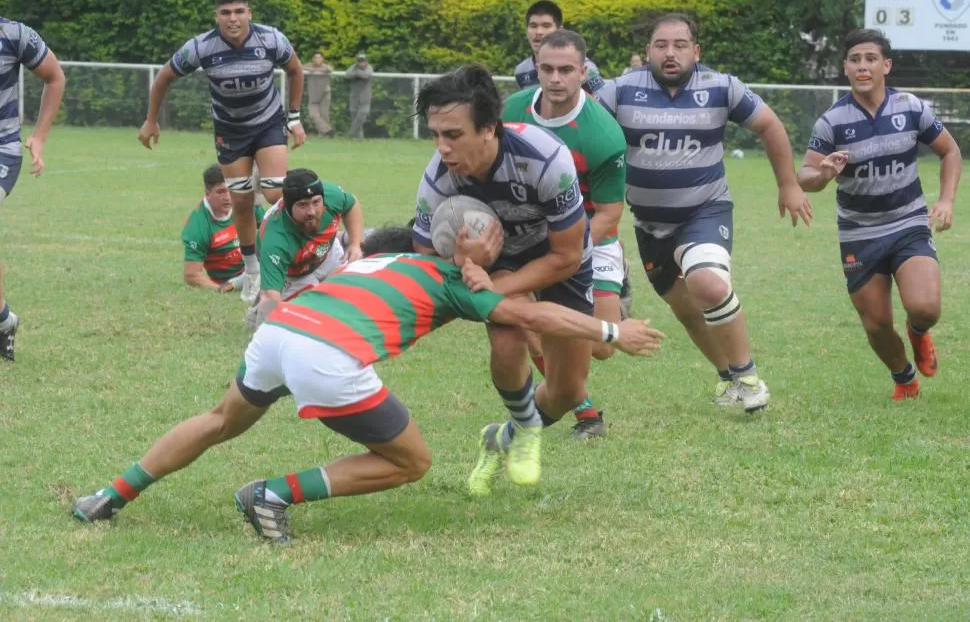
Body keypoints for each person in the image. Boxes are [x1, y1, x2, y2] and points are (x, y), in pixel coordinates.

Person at [71, 224, 666, 544]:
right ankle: (273, 494)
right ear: (460, 242)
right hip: (326, 357)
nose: (496, 244)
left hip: (281, 332)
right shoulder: (453, 277)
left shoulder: (374, 260)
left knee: (220, 420)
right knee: (411, 461)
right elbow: (533, 317)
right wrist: (612, 333)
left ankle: (111, 495)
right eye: (488, 236)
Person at [596, 12, 814, 413]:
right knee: (686, 310)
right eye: (661, 45)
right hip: (648, 223)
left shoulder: (721, 87)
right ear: (647, 53)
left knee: (708, 285)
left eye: (680, 45)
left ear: (696, 51)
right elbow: (586, 135)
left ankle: (748, 375)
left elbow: (770, 126)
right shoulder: (619, 91)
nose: (670, 53)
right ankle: (729, 379)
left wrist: (788, 184)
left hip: (705, 210)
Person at [412, 64, 598, 495]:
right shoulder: (437, 180)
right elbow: (424, 259)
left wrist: (494, 286)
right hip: (491, 263)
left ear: (489, 128)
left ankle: (501, 438)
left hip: (555, 257)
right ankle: (527, 428)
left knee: (569, 390)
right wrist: (465, 262)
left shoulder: (545, 159)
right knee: (507, 336)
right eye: (435, 134)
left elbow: (566, 256)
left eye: (453, 135)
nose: (442, 148)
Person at [796, 28, 962, 400]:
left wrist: (947, 200)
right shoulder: (832, 121)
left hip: (908, 222)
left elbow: (950, 152)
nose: (862, 66)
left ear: (885, 65)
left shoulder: (911, 107)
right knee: (877, 324)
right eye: (855, 59)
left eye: (871, 58)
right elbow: (803, 177)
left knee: (925, 308)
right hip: (859, 232)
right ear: (846, 68)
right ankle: (905, 379)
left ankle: (918, 332)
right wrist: (822, 173)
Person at [136, 0, 307, 305]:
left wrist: (294, 118)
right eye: (226, 13)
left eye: (239, 11)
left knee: (273, 193)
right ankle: (254, 273)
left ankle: (295, 260)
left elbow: (296, 71)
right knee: (241, 203)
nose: (233, 19)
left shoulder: (271, 39)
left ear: (249, 13)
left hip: (269, 124)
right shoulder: (200, 47)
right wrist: (151, 120)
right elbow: (163, 78)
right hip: (230, 132)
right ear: (216, 16)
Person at [502, 30, 628, 441]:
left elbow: (610, 213)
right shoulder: (513, 111)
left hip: (591, 238)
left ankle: (611, 296)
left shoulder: (603, 134)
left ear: (583, 71)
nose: (556, 78)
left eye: (566, 70)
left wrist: (564, 249)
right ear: (536, 67)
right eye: (547, 69)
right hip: (526, 237)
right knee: (527, 320)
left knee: (603, 347)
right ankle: (580, 407)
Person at [0, 17, 65, 362]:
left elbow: (55, 77)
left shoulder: (15, 35)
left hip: (2, 148)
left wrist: (39, 136)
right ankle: (4, 321)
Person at [254, 168, 364, 310]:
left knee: (355, 293)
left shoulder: (331, 196)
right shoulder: (275, 239)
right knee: (295, 313)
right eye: (303, 205)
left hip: (329, 255)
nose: (311, 211)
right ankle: (265, 292)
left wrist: (355, 244)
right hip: (293, 275)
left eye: (316, 202)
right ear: (288, 206)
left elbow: (351, 204)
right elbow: (271, 299)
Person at [182, 165, 267, 291]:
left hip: (258, 264)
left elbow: (269, 229)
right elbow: (191, 275)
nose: (227, 197)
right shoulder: (198, 225)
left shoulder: (244, 203)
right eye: (221, 191)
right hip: (230, 280)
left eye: (230, 190)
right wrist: (219, 289)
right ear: (207, 193)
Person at [513, 0, 604, 95]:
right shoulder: (521, 71)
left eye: (546, 26)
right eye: (533, 26)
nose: (538, 32)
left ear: (560, 30)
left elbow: (599, 106)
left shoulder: (585, 68)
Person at [304, 50, 333, 136]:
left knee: (325, 114)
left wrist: (322, 71)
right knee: (313, 114)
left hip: (324, 94)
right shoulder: (309, 66)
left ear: (322, 59)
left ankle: (324, 135)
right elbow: (300, 67)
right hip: (313, 96)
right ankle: (328, 130)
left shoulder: (325, 67)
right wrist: (312, 70)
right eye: (315, 58)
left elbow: (330, 69)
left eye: (319, 58)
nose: (317, 59)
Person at [345, 54, 374, 140]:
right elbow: (347, 75)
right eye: (359, 61)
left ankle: (350, 134)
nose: (361, 63)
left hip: (365, 97)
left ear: (366, 62)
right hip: (354, 97)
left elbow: (366, 75)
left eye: (363, 61)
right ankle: (359, 137)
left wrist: (356, 73)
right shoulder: (353, 67)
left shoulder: (369, 67)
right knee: (354, 117)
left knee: (362, 116)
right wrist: (357, 73)